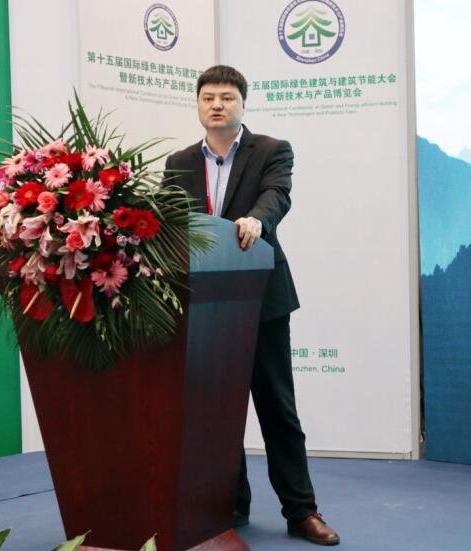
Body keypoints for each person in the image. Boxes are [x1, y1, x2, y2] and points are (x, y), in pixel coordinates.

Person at [164, 65, 340, 546]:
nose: (216, 105)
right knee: (215, 412)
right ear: (198, 105)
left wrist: (257, 221)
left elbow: (276, 196)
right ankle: (228, 503)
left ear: (243, 104)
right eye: (208, 98)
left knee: (277, 408)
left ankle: (301, 511)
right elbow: (168, 219)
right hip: (203, 306)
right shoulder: (178, 162)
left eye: (226, 97)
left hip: (260, 298)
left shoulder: (271, 150)